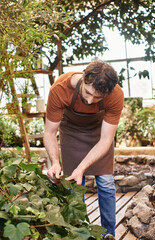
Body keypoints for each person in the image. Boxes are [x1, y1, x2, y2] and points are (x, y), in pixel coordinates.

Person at [44, 59, 124, 239]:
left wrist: (82, 168)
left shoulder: (116, 95)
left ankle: (108, 234)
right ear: (83, 77)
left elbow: (106, 140)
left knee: (106, 184)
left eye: (97, 98)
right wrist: (55, 162)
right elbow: (50, 132)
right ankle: (79, 233)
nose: (90, 100)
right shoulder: (60, 89)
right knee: (75, 185)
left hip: (99, 136)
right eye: (88, 92)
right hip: (71, 133)